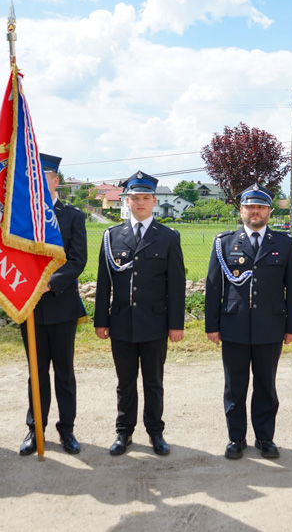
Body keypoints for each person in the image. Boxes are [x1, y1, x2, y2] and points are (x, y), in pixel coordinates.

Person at [204, 184, 292, 459]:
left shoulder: (284, 244)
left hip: (270, 327)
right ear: (241, 210)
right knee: (235, 388)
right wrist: (212, 325)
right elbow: (214, 287)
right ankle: (236, 439)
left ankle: (265, 438)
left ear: (268, 212)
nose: (254, 212)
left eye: (260, 207)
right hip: (233, 326)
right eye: (250, 207)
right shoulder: (224, 243)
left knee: (266, 386)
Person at [94, 171, 185, 456]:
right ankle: (124, 432)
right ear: (127, 201)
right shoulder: (112, 236)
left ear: (154, 201)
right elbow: (103, 281)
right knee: (124, 383)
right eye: (135, 198)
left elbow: (177, 285)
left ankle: (155, 432)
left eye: (146, 198)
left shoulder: (168, 237)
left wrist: (175, 324)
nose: (141, 203)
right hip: (121, 322)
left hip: (155, 323)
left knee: (154, 382)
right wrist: (101, 320)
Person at [18, 153, 87, 456]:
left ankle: (67, 430)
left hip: (61, 305)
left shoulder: (72, 216)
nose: (35, 183)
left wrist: (50, 283)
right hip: (29, 306)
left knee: (64, 372)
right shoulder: (20, 216)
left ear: (55, 180)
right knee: (36, 373)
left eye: (41, 178)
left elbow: (77, 259)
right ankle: (35, 430)